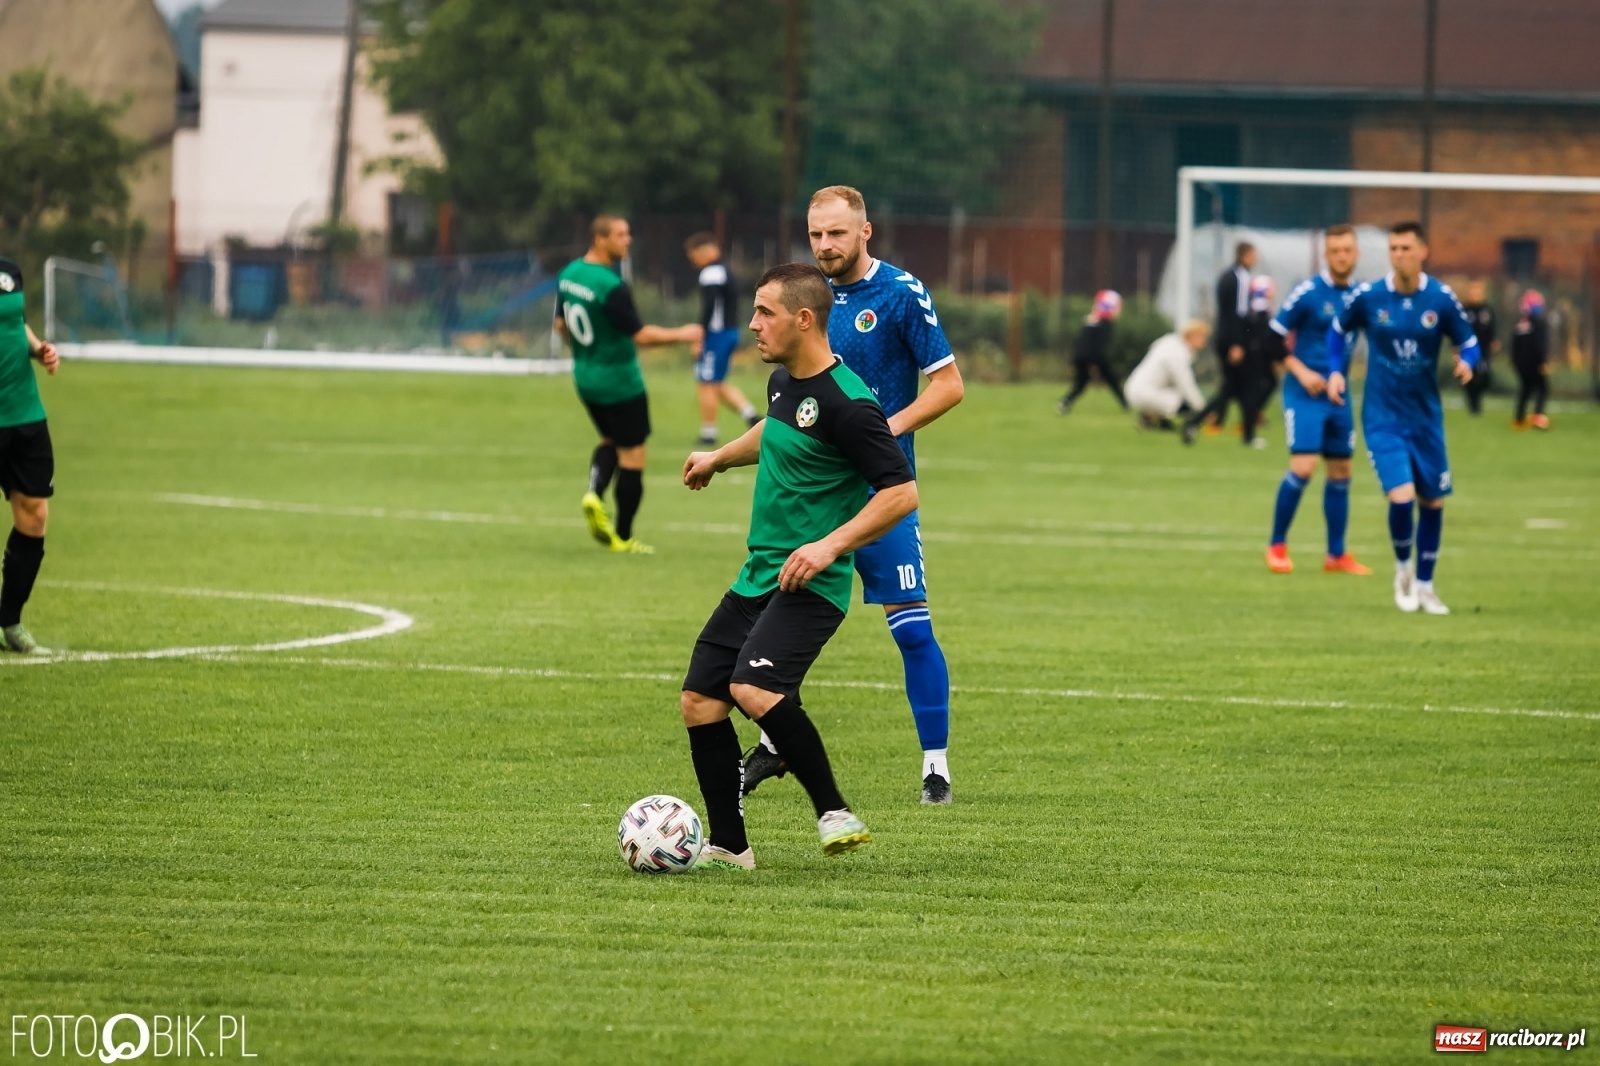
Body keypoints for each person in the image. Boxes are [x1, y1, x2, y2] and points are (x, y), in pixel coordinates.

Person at [679, 263, 918, 869]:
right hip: (759, 574)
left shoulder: (852, 406)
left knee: (753, 688)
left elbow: (899, 493)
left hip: (809, 584)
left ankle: (834, 811)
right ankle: (730, 846)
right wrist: (719, 458)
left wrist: (829, 546)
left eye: (765, 313)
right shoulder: (784, 382)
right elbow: (773, 433)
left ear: (803, 320)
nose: (752, 325)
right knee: (700, 702)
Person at [741, 185, 964, 805]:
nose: (824, 246)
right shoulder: (803, 299)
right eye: (815, 235)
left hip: (879, 489)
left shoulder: (900, 294)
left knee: (912, 629)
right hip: (812, 494)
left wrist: (880, 430)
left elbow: (948, 386)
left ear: (866, 232)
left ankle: (935, 768)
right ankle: (773, 743)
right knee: (774, 616)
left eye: (836, 234)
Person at [1326, 221, 1482, 615]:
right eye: (1393, 248)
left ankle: (1427, 586)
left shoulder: (1441, 299)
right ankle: (1403, 571)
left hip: (1426, 419)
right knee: (1402, 497)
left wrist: (1468, 362)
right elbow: (1336, 330)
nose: (1399, 255)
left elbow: (1470, 340)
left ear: (1423, 251)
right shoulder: (1370, 297)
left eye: (1406, 248)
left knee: (1432, 502)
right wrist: (1334, 370)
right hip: (1383, 418)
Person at [556, 215, 702, 554]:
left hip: (585, 378)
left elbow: (561, 326)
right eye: (621, 235)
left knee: (610, 439)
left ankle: (594, 492)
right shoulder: (610, 286)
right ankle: (623, 536)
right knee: (633, 456)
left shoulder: (569, 275)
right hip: (621, 383)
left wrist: (586, 351)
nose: (628, 240)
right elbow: (641, 336)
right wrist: (683, 333)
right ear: (600, 239)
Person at [1263, 225, 1371, 576]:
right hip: (1305, 394)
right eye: (1335, 250)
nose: (1341, 256)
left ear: (1356, 254)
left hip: (1339, 397)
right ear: (1326, 255)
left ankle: (1336, 555)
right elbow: (1270, 339)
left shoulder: (1361, 296)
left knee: (1341, 471)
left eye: (1347, 250)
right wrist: (1301, 370)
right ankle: (1277, 545)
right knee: (1304, 467)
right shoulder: (1308, 293)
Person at [0, 256, 60, 655]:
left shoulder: (8, 270)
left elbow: (13, 324)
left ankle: (11, 621)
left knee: (35, 515)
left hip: (25, 416)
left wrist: (38, 349)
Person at [683, 233, 760, 445]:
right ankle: (751, 416)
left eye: (694, 256)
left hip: (717, 334)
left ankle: (709, 433)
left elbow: (709, 308)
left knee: (706, 382)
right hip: (729, 331)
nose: (693, 262)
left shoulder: (711, 272)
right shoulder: (725, 269)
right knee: (716, 381)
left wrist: (700, 336)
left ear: (705, 250)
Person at [1125, 320, 1209, 428]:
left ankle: (1155, 419)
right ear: (1192, 336)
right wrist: (1202, 409)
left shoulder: (1170, 344)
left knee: (1176, 394)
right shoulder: (1177, 353)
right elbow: (1186, 384)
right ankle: (1158, 419)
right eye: (1202, 337)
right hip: (1144, 394)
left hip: (1135, 389)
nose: (1204, 342)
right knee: (1183, 402)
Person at [1057, 290, 1126, 414]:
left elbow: (1079, 342)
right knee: (1112, 380)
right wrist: (1094, 364)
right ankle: (1126, 403)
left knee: (1080, 384)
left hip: (1081, 357)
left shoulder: (1089, 321)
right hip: (1094, 357)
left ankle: (1065, 402)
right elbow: (1098, 345)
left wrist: (1074, 361)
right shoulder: (1105, 325)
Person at [1511, 289, 1550, 431]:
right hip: (1535, 363)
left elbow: (1514, 345)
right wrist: (1542, 361)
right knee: (1543, 388)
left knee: (1526, 389)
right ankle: (1538, 416)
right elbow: (1539, 344)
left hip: (1521, 364)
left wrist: (1515, 361)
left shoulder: (1520, 323)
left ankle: (1519, 419)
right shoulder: (1539, 323)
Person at [1460, 280, 1498, 415]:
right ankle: (1473, 404)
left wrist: (1494, 340)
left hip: (1483, 350)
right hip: (1468, 350)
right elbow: (1458, 329)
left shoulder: (1487, 310)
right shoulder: (1464, 310)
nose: (1476, 294)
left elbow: (1492, 327)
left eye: (1478, 292)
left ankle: (1477, 397)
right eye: (1473, 291)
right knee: (1469, 377)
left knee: (1485, 377)